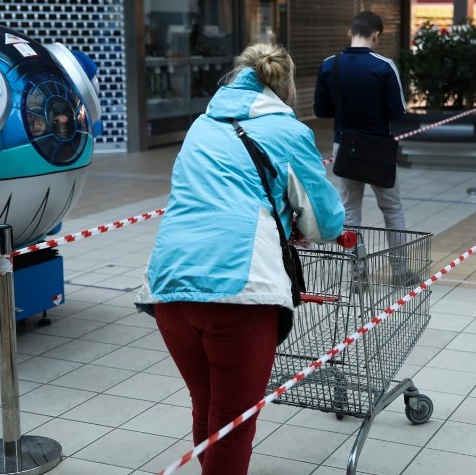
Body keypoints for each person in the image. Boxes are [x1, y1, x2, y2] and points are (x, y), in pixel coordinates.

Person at [136, 43, 345, 475]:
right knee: (233, 424)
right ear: (286, 88)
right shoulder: (288, 132)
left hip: (169, 287)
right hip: (239, 290)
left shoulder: (200, 125)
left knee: (207, 407)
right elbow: (325, 223)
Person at [313, 10, 407, 231]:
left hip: (344, 146)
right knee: (392, 208)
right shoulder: (385, 66)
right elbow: (398, 112)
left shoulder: (329, 65)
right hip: (378, 148)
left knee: (350, 209)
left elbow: (321, 110)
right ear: (376, 35)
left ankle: (356, 265)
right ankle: (401, 266)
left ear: (350, 33)